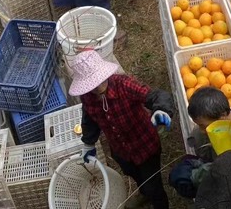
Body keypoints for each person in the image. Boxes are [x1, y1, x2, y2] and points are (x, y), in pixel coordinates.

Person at [70, 50, 174, 209]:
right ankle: (143, 193)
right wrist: (88, 143)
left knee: (154, 186)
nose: (98, 86)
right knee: (132, 173)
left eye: (99, 80)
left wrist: (162, 109)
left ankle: (158, 203)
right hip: (121, 150)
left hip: (145, 146)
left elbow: (154, 96)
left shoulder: (123, 85)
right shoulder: (87, 97)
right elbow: (89, 119)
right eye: (92, 84)